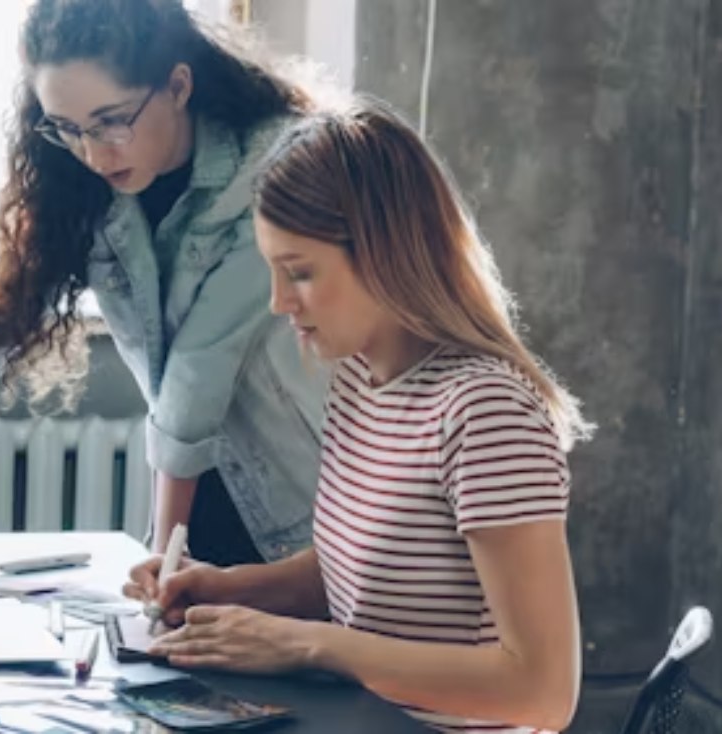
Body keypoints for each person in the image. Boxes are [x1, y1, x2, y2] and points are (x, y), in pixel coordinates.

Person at [0, 0, 328, 566]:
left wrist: (164, 572)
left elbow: (198, 371)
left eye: (112, 121)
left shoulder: (271, 168)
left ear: (178, 85)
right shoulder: (78, 179)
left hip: (300, 518)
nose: (93, 153)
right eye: (67, 128)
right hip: (196, 509)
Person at [124, 100, 594, 733]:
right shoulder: (359, 380)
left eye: (300, 273)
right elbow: (351, 570)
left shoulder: (486, 413)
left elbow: (541, 692)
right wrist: (223, 587)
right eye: (273, 271)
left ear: (384, 253)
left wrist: (305, 644)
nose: (278, 302)